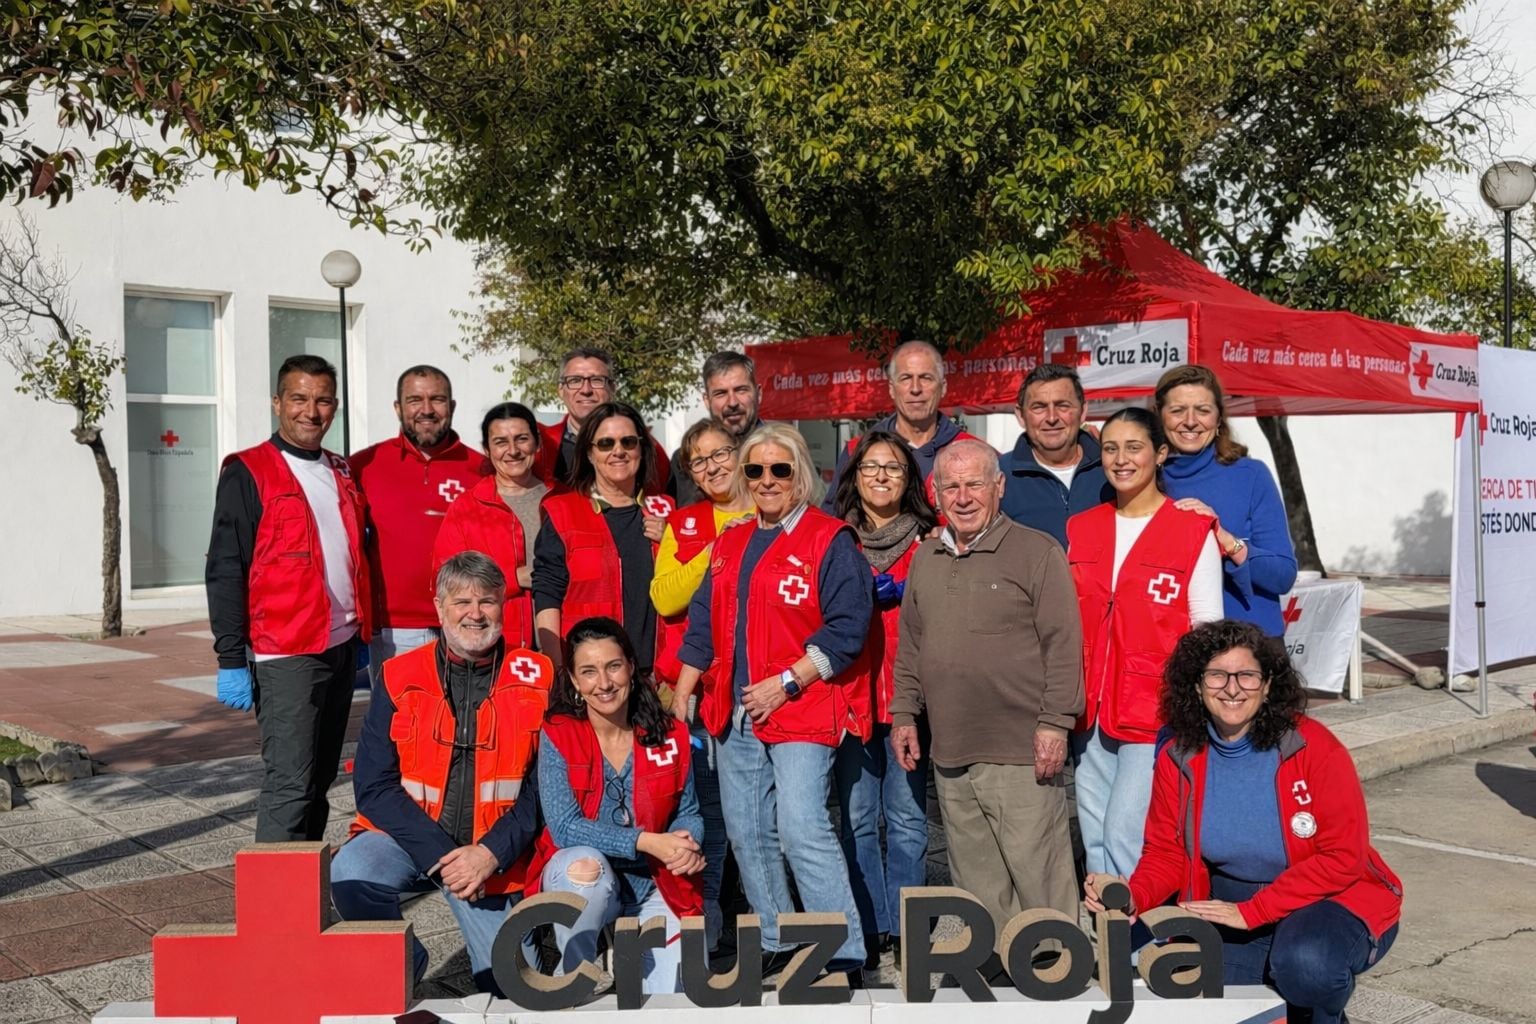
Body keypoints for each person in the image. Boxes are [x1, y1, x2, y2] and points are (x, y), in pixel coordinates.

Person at [1085, 620, 1402, 1024]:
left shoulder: (1313, 746)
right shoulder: (1179, 756)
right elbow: (1166, 852)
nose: (1232, 688)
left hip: (1329, 896)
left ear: (1268, 685)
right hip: (1236, 898)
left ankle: (1326, 1012)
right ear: (1197, 686)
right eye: (1217, 675)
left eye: (1246, 675)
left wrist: (1255, 912)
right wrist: (1132, 894)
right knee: (1227, 1010)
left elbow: (1344, 857)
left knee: (1306, 970)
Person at [672, 424, 874, 974]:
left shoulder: (830, 539)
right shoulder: (731, 540)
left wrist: (787, 682)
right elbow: (703, 626)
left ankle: (846, 949)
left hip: (800, 705)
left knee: (802, 825)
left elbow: (848, 629)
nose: (766, 480)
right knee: (745, 830)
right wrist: (683, 692)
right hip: (734, 710)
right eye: (755, 470)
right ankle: (781, 939)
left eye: (779, 469)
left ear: (800, 474)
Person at [332, 552, 553, 995]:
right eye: (461, 602)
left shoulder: (540, 677)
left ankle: (526, 935)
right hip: (414, 845)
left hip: (493, 858)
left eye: (487, 602)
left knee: (511, 989)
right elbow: (373, 786)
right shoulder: (397, 676)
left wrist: (489, 853)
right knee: (351, 871)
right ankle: (404, 960)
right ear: (438, 607)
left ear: (503, 607)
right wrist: (446, 858)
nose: (475, 613)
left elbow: (545, 787)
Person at [891, 439, 1084, 936]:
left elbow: (1064, 645)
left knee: (1038, 874)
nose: (963, 496)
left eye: (974, 483)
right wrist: (905, 714)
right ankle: (997, 969)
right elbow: (911, 642)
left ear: (998, 486)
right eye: (950, 486)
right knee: (977, 880)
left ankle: (1055, 965)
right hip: (951, 747)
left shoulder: (1036, 551)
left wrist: (1055, 724)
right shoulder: (926, 557)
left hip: (1021, 746)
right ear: (935, 493)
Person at [206, 354, 370, 842]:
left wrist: (359, 627)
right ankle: (272, 911)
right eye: (299, 398)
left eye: (322, 401)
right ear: (277, 402)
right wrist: (231, 656)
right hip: (287, 652)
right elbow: (225, 566)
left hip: (340, 646)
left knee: (319, 782)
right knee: (290, 784)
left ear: (335, 407)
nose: (311, 411)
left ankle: (306, 897)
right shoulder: (249, 470)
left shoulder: (340, 470)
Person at [1066, 407, 1224, 883]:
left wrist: (1196, 704)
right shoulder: (1082, 527)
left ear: (1159, 453)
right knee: (1093, 832)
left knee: (1125, 833)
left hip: (1154, 705)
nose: (1120, 459)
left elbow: (1207, 629)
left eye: (1133, 447)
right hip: (1088, 702)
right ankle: (1106, 933)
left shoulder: (1192, 530)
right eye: (1110, 448)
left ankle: (1139, 939)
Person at [526, 617, 703, 994]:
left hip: (654, 880)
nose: (603, 683)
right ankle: (576, 975)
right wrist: (648, 841)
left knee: (671, 996)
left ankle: (626, 951)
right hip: (583, 876)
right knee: (585, 866)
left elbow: (689, 810)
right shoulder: (559, 734)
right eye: (588, 672)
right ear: (574, 681)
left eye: (613, 666)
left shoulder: (669, 735)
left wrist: (686, 843)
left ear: (631, 668)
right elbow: (565, 827)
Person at [830, 430, 938, 964]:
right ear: (854, 477)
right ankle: (869, 924)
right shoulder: (833, 540)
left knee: (907, 817)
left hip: (906, 701)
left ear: (908, 479)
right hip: (849, 695)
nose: (880, 476)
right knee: (855, 816)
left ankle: (907, 926)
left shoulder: (931, 541)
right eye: (870, 466)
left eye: (893, 468)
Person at [650, 417, 756, 949]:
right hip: (690, 688)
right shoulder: (687, 522)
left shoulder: (770, 507)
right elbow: (665, 597)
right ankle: (706, 927)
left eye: (722, 454)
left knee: (757, 814)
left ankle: (767, 922)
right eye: (700, 460)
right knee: (705, 810)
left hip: (754, 685)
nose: (713, 466)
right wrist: (721, 544)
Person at [350, 366, 490, 681]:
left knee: (465, 727)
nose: (426, 410)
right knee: (400, 727)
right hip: (394, 631)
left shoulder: (482, 469)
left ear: (452, 407)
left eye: (437, 399)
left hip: (467, 622)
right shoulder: (363, 466)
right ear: (398, 407)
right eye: (415, 400)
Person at [533, 401, 675, 676]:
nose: (618, 451)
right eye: (606, 443)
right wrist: (559, 670)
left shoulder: (668, 511)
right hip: (592, 678)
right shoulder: (563, 511)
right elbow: (548, 594)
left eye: (628, 442)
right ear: (589, 452)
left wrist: (673, 541)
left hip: (656, 676)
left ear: (641, 449)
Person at [1155, 365, 1298, 636]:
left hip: (1246, 647)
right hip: (1168, 645)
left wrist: (1223, 539)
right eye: (1177, 410)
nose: (1190, 421)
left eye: (1203, 410)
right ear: (1159, 416)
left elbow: (1283, 575)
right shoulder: (1143, 481)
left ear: (1219, 418)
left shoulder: (1250, 475)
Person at [433, 403, 549, 649]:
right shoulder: (467, 509)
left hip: (562, 642)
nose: (513, 450)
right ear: (487, 449)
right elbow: (447, 583)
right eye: (501, 442)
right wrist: (512, 578)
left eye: (522, 439)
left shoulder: (563, 500)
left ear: (537, 443)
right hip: (496, 644)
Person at [822, 340, 983, 511]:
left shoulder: (974, 452)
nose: (915, 388)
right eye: (906, 378)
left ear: (943, 388)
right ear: (891, 388)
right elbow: (832, 522)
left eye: (925, 378)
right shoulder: (857, 451)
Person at [999, 364, 1112, 547]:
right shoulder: (998, 476)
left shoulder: (1113, 469)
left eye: (1063, 405)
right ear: (1021, 416)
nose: (1052, 418)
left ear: (1083, 411)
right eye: (1039, 407)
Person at [535, 346, 670, 495]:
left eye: (596, 380)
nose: (586, 390)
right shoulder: (542, 447)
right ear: (561, 390)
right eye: (575, 381)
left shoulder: (642, 447)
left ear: (612, 388)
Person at [672, 352, 765, 507]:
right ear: (707, 401)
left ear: (759, 394)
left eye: (741, 390)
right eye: (720, 393)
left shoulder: (785, 450)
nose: (732, 402)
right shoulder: (685, 460)